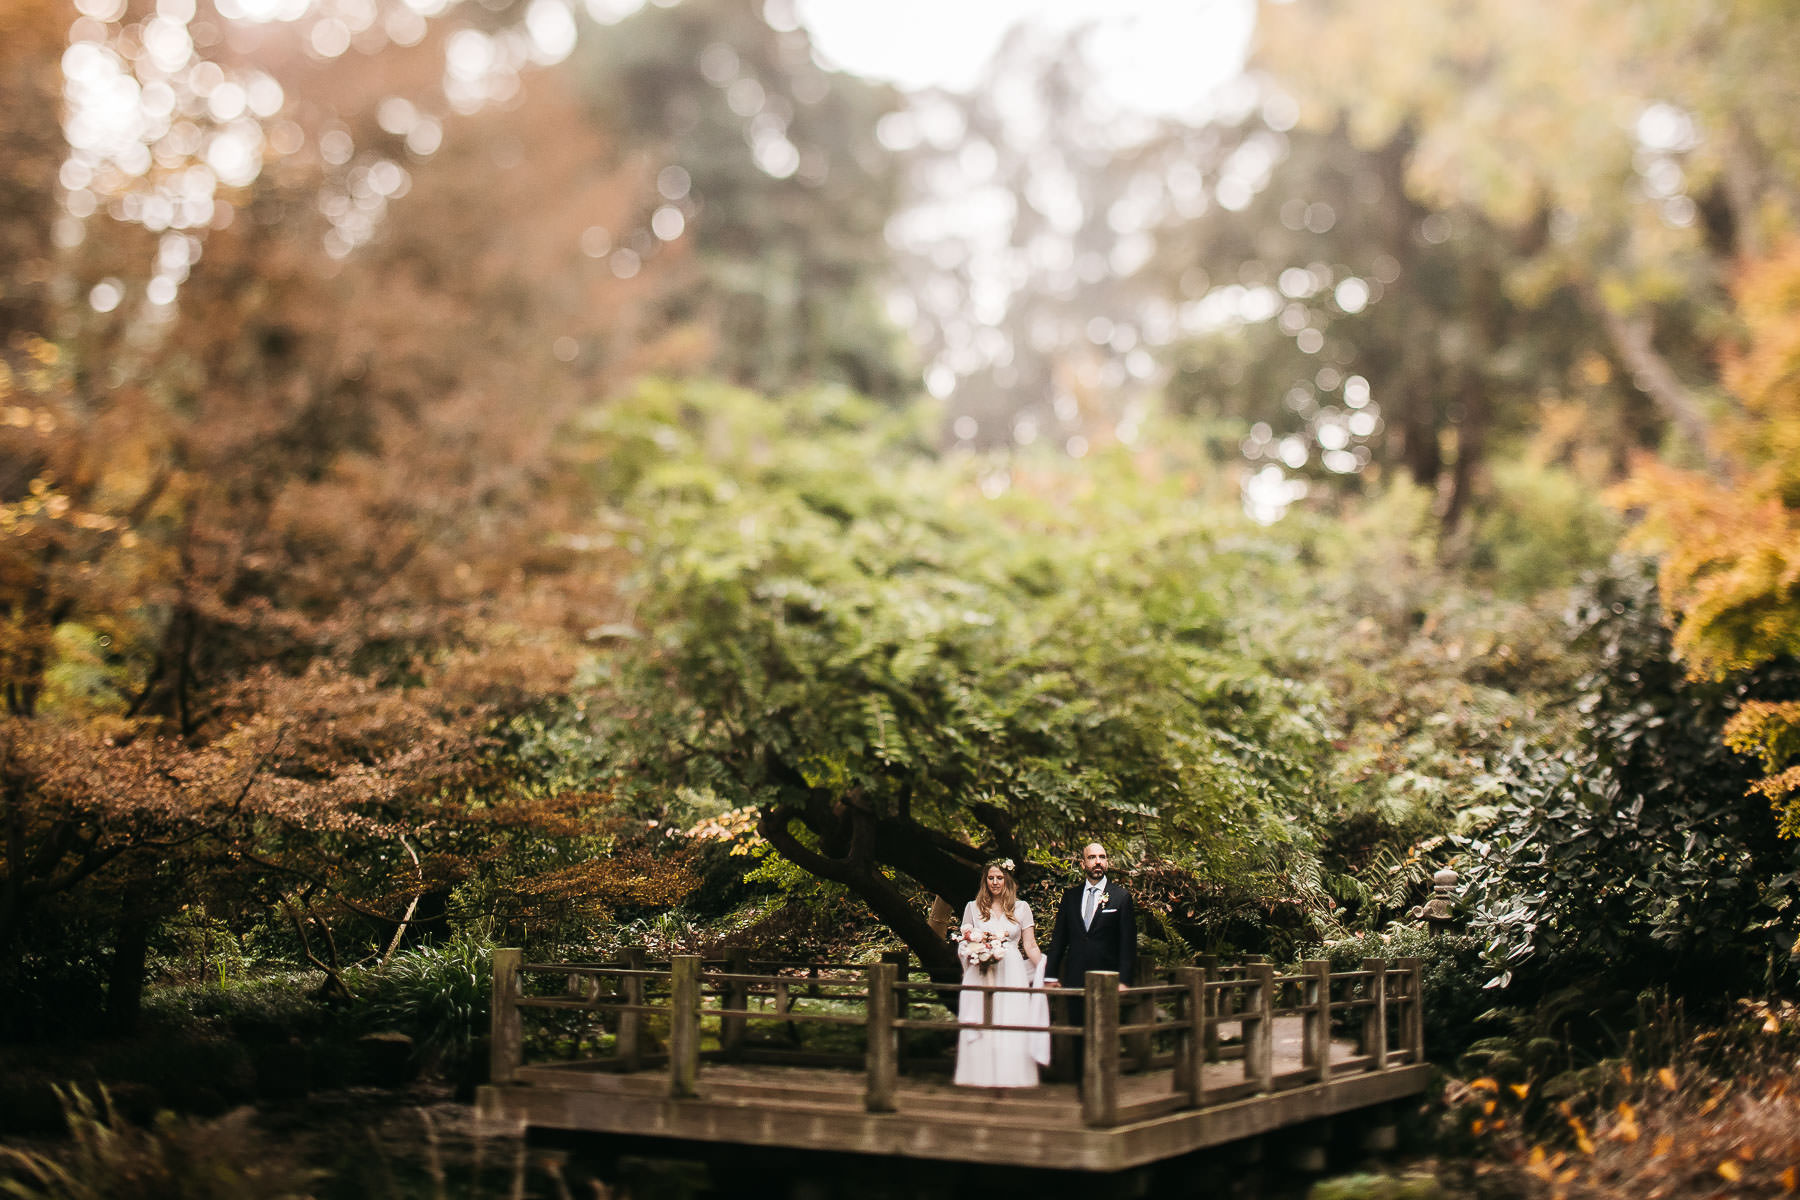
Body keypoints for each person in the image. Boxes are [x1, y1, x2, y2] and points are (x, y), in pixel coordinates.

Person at [952, 858, 1049, 1087]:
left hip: (1012, 970)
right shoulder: (972, 908)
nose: (995, 882)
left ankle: (1010, 1075)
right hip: (981, 971)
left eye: (1000, 878)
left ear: (1007, 880)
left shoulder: (1022, 908)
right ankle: (979, 1075)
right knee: (983, 1018)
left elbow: (1030, 945)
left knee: (1011, 1018)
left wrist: (1046, 968)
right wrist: (978, 952)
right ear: (985, 881)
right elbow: (963, 943)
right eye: (991, 878)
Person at [1043, 841, 1137, 999]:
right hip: (1074, 979)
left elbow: (1128, 943)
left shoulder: (1121, 897)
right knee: (1074, 1023)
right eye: (1092, 857)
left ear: (1107, 862)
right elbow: (1059, 938)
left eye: (1102, 857)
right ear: (1083, 864)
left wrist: (1124, 980)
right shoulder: (1070, 897)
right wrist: (1050, 976)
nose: (1098, 861)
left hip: (1108, 980)